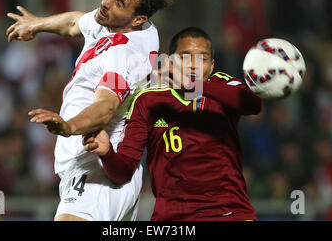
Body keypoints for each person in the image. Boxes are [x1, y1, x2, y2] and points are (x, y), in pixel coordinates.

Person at [5, 0, 176, 221]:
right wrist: (37, 24)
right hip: (85, 166)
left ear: (138, 18)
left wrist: (69, 126)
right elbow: (75, 23)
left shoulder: (128, 55)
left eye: (119, 3)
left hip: (100, 168)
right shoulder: (111, 21)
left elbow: (105, 107)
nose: (107, 2)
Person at [83, 27, 262, 220]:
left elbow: (253, 103)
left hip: (228, 213)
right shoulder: (148, 101)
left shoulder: (222, 86)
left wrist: (195, 86)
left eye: (202, 58)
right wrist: (108, 153)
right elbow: (123, 173)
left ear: (211, 66)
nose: (193, 65)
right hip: (172, 219)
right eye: (185, 57)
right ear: (169, 62)